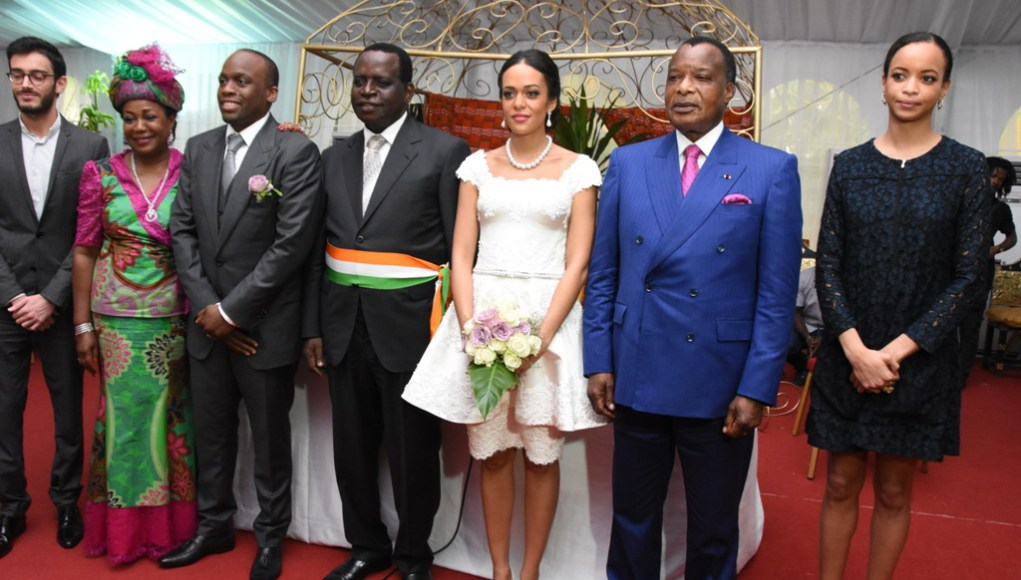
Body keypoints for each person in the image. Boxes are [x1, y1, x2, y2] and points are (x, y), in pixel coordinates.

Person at [583, 36, 803, 579]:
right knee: (632, 519)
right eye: (675, 76)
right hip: (638, 365)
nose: (684, 88)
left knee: (712, 527)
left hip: (720, 378)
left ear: (730, 92)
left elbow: (776, 294)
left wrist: (757, 387)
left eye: (701, 77)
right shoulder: (629, 162)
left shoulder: (770, 169)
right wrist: (599, 359)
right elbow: (604, 271)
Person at [402, 49, 607, 580]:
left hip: (547, 322)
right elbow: (461, 254)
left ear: (552, 102)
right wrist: (472, 328)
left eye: (531, 93)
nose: (519, 103)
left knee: (541, 454)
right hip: (483, 321)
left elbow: (578, 263)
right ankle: (499, 570)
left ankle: (531, 571)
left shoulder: (579, 170)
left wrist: (541, 337)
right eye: (510, 93)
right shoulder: (477, 166)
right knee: (492, 453)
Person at [806, 32, 990, 580]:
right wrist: (856, 350)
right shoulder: (850, 165)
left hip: (918, 359)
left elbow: (968, 277)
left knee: (893, 489)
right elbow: (827, 264)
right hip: (848, 353)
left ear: (944, 89)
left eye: (927, 78)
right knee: (840, 483)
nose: (911, 88)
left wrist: (894, 354)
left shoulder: (966, 168)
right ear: (884, 83)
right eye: (900, 75)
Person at [301, 42, 469, 580]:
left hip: (413, 329)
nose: (367, 91)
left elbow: (460, 250)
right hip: (342, 325)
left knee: (412, 451)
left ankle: (413, 556)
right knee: (351, 450)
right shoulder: (334, 156)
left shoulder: (445, 151)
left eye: (381, 82)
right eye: (360, 81)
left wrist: (453, 331)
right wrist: (313, 326)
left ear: (408, 90)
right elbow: (316, 250)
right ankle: (365, 547)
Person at [160, 49, 323, 580]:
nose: (228, 89)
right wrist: (209, 308)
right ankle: (213, 526)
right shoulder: (200, 147)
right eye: (223, 79)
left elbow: (291, 244)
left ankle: (271, 536)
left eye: (242, 82)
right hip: (206, 325)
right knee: (211, 433)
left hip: (265, 327)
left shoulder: (295, 151)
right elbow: (182, 230)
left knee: (270, 440)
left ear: (271, 93)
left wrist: (231, 312)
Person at [70, 44, 195, 565]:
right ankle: (121, 533)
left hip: (175, 320)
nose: (139, 126)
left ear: (171, 120)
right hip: (116, 322)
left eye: (150, 116)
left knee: (170, 421)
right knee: (121, 423)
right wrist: (82, 325)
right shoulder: (99, 174)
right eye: (129, 117)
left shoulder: (193, 169)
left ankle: (170, 529)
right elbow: (84, 250)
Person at [0, 36, 110, 559]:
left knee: (68, 411)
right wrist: (15, 296)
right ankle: (9, 506)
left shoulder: (91, 147)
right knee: (4, 411)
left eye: (37, 75)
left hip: (63, 304)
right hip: (5, 305)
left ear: (59, 83)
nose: (25, 83)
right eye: (17, 74)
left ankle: (67, 501)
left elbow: (91, 232)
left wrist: (50, 297)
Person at [957, 156, 1016, 378]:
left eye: (1001, 179)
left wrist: (996, 249)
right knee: (945, 322)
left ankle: (962, 374)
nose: (996, 181)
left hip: (980, 271)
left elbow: (1012, 237)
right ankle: (942, 371)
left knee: (971, 323)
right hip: (952, 269)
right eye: (993, 175)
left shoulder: (1000, 209)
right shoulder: (961, 200)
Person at [789, 265, 823, 385]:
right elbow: (795, 312)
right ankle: (804, 368)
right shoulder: (803, 277)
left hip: (833, 327)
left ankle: (820, 374)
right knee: (787, 344)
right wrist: (808, 337)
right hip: (807, 325)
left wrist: (824, 337)